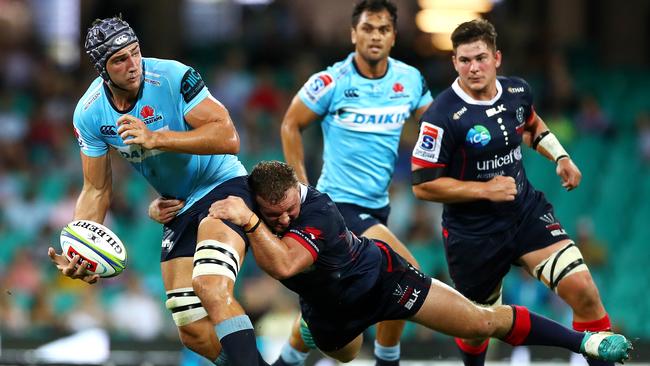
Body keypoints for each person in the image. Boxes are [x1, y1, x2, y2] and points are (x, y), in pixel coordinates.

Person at [208, 160, 632, 365]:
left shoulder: (316, 209)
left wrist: (249, 221)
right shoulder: (255, 199)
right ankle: (306, 335)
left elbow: (284, 265)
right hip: (330, 312)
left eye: (288, 211)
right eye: (273, 213)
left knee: (481, 321)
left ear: (297, 195)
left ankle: (585, 342)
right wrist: (169, 208)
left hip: (383, 280)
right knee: (347, 355)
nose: (283, 219)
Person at [46, 16, 266, 366]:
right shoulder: (89, 113)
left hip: (222, 184)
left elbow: (228, 137)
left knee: (210, 285)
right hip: (177, 207)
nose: (133, 65)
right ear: (102, 69)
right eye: (119, 60)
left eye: (135, 53)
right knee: (191, 327)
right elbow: (96, 188)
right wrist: (81, 248)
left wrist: (156, 137)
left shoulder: (175, 76)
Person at [410, 19, 617, 366]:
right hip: (473, 235)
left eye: (480, 58)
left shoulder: (518, 92)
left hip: (524, 213)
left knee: (584, 291)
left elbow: (531, 123)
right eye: (464, 60)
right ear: (454, 63)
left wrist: (560, 156)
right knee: (478, 326)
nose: (473, 67)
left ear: (497, 58)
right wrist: (484, 190)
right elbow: (423, 185)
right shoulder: (441, 117)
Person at [279, 1, 432, 364]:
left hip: (378, 208)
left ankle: (286, 360)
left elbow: (437, 123)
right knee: (406, 274)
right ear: (353, 34)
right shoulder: (331, 81)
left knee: (334, 304)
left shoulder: (409, 80)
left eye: (382, 29)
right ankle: (387, 359)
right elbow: (290, 124)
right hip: (339, 206)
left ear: (394, 36)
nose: (374, 36)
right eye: (367, 28)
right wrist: (304, 192)